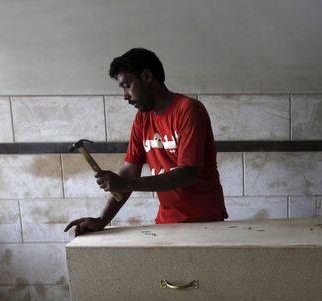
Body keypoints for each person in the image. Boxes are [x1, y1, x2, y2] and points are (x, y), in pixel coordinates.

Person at [65, 48, 227, 235]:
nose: (125, 95)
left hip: (205, 223)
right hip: (166, 222)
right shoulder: (142, 119)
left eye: (127, 85)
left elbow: (187, 175)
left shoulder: (188, 110)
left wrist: (125, 184)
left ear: (147, 76)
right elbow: (129, 171)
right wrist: (103, 220)